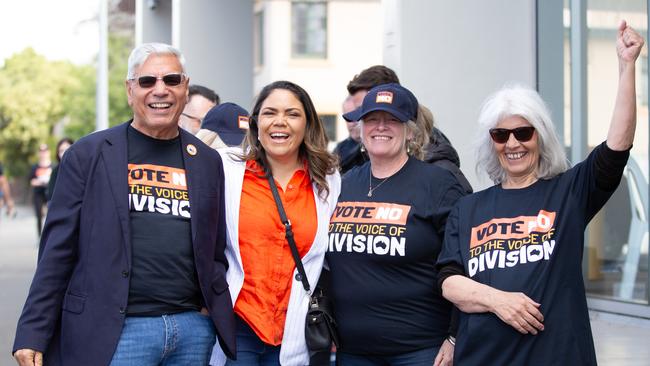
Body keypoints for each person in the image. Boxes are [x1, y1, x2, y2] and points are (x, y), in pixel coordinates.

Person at [13, 42, 235, 366]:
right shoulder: (87, 155)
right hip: (116, 332)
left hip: (191, 331)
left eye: (172, 80)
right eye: (148, 81)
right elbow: (56, 252)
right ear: (130, 90)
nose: (161, 90)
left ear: (185, 89)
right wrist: (33, 330)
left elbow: (215, 248)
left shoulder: (207, 161)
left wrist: (205, 310)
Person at [436, 21, 644, 366]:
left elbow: (616, 148)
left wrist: (627, 67)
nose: (513, 143)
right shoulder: (469, 207)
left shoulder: (568, 192)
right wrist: (499, 300)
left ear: (541, 136)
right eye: (501, 135)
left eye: (523, 132)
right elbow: (449, 283)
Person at [327, 83, 466, 365]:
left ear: (410, 131)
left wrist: (454, 337)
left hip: (419, 351)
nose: (380, 127)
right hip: (352, 351)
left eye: (392, 120)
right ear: (360, 128)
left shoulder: (439, 185)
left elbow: (466, 264)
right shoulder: (342, 184)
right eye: (372, 119)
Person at [209, 80, 340, 366]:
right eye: (270, 113)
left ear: (308, 124)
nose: (279, 122)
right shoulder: (226, 169)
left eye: (292, 114)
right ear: (256, 123)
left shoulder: (327, 180)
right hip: (238, 326)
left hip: (295, 331)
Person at [344, 65, 472, 193]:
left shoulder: (439, 172)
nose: (357, 120)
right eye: (369, 117)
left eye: (366, 110)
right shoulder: (352, 163)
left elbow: (462, 208)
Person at [333, 95, 366, 173]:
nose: (351, 123)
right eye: (347, 117)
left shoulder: (376, 145)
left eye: (355, 115)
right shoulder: (339, 149)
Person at [29, 144, 52, 236]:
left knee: (51, 214)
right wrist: (40, 182)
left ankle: (50, 235)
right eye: (41, 151)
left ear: (48, 152)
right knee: (39, 215)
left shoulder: (53, 165)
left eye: (45, 151)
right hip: (38, 193)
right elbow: (31, 181)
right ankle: (39, 236)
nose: (43, 153)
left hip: (50, 193)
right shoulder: (35, 167)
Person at [46, 137, 74, 202]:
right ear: (58, 154)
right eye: (61, 151)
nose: (64, 153)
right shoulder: (56, 171)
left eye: (67, 149)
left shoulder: (82, 169)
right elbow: (50, 194)